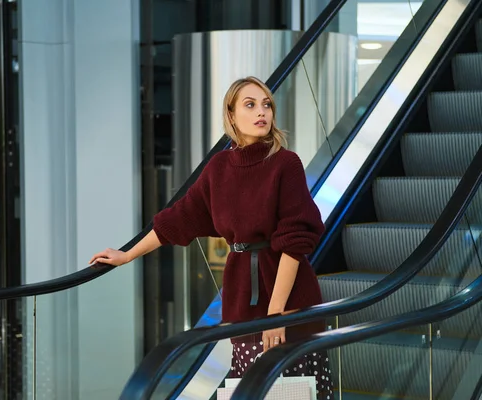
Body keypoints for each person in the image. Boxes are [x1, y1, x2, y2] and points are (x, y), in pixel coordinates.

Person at [90, 76, 334, 399]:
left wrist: (276, 313)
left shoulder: (285, 164)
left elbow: (295, 240)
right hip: (241, 297)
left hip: (288, 299)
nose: (262, 112)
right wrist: (126, 255)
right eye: (250, 105)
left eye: (266, 105)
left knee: (296, 391)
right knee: (251, 389)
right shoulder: (219, 168)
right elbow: (179, 219)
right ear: (231, 115)